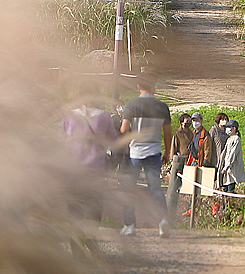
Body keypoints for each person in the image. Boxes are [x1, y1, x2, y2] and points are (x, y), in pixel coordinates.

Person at [60, 81, 118, 255]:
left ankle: (76, 246)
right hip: (95, 171)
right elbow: (114, 142)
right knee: (94, 207)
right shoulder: (105, 116)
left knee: (74, 209)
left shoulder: (68, 117)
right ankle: (91, 238)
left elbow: (61, 141)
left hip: (73, 171)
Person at [119, 75, 172, 237]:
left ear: (138, 86)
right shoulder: (162, 106)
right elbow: (168, 133)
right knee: (155, 188)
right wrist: (167, 153)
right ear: (154, 86)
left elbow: (123, 130)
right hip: (154, 152)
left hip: (135, 152)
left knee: (129, 188)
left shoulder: (132, 105)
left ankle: (129, 225)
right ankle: (163, 221)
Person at [219, 120, 244, 208]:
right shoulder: (229, 139)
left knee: (230, 191)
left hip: (231, 170)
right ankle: (224, 210)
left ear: (234, 129)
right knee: (224, 191)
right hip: (226, 170)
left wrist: (226, 167)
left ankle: (228, 210)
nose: (226, 129)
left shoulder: (236, 139)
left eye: (228, 127)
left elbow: (232, 154)